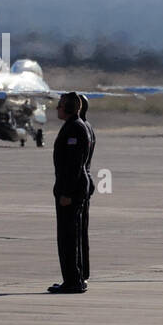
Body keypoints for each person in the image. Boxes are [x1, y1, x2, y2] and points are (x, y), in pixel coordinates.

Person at [49, 92, 89, 293]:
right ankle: (74, 278)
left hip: (71, 190)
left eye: (60, 105)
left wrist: (66, 192)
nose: (57, 108)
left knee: (68, 237)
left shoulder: (74, 129)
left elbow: (73, 165)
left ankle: (73, 281)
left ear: (68, 108)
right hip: (70, 187)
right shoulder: (73, 126)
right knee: (69, 236)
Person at [78, 94, 96, 285]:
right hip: (85, 181)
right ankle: (83, 271)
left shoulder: (79, 128)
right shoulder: (88, 127)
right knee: (81, 231)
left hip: (78, 184)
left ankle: (77, 274)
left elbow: (76, 162)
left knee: (75, 232)